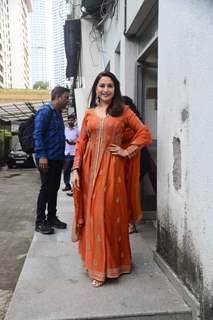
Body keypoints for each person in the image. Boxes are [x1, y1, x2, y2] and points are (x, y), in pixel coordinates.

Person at [71, 71, 152, 287]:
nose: (105, 89)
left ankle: (113, 264)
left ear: (115, 89)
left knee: (107, 215)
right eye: (101, 85)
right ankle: (98, 264)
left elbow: (144, 133)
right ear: (96, 89)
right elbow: (81, 143)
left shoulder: (123, 111)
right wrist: (75, 170)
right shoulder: (88, 114)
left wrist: (128, 151)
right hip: (89, 171)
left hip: (113, 171)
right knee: (93, 216)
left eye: (110, 86)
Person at [34, 86, 70, 235]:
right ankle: (40, 221)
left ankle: (52, 217)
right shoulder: (45, 111)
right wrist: (42, 155)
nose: (67, 101)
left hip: (56, 158)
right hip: (46, 158)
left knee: (54, 189)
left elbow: (59, 138)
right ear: (57, 96)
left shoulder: (58, 114)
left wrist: (62, 158)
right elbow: (38, 133)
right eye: (66, 98)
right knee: (46, 189)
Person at [122, 96, 157, 234]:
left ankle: (131, 223)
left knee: (129, 192)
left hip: (138, 159)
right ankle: (130, 222)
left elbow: (142, 138)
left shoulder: (133, 121)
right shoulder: (125, 119)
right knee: (129, 192)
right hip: (131, 159)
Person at [62, 113, 79, 195]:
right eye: (69, 120)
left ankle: (74, 187)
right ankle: (67, 185)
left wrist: (75, 141)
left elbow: (80, 140)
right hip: (67, 153)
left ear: (74, 121)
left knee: (75, 172)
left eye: (72, 120)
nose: (70, 121)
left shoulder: (77, 130)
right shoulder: (65, 130)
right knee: (66, 171)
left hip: (75, 153)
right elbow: (62, 139)